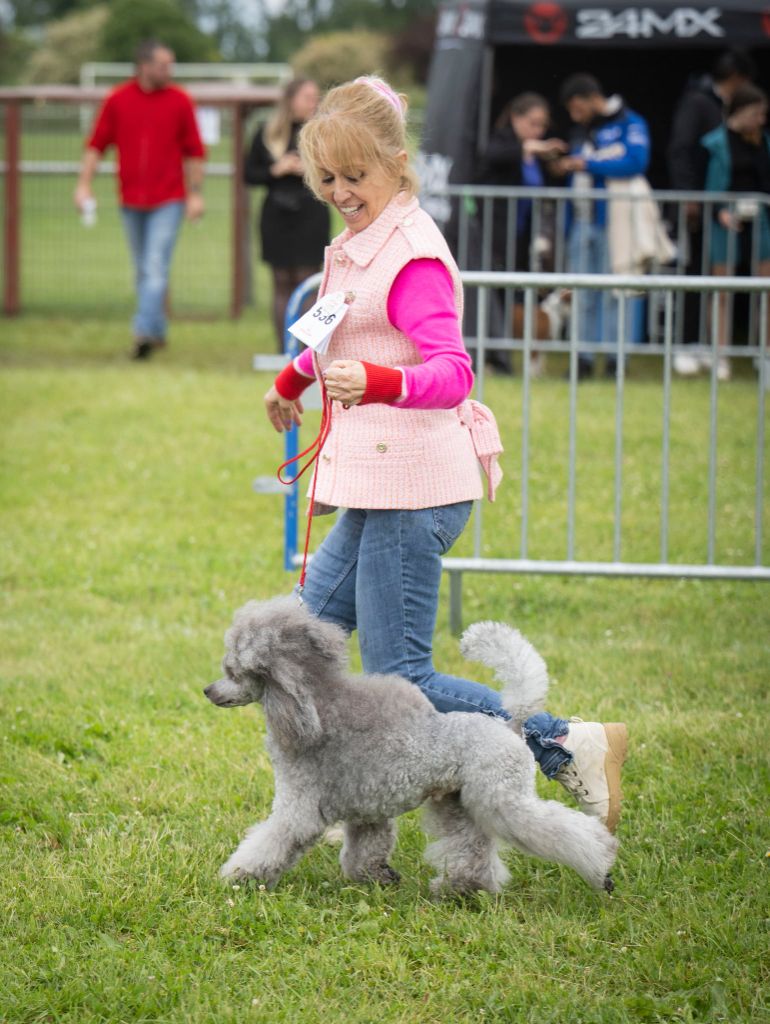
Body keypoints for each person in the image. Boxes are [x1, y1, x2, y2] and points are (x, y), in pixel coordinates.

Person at [262, 76, 628, 833]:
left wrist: (380, 379)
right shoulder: (358, 243)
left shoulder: (415, 256)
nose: (339, 191)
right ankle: (335, 789)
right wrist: (290, 380)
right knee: (297, 642)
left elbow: (452, 372)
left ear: (398, 162)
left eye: (354, 176)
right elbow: (334, 322)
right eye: (325, 178)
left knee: (401, 676)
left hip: (418, 489)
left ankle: (564, 742)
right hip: (375, 483)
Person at [74, 40, 206, 360]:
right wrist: (83, 185)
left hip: (169, 198)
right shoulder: (118, 99)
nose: (168, 71)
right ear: (144, 66)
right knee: (143, 270)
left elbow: (195, 152)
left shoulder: (180, 101)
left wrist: (195, 194)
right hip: (130, 199)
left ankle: (143, 333)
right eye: (163, 65)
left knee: (154, 267)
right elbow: (96, 145)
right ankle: (157, 331)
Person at [555, 74, 651, 380]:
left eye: (577, 109)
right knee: (582, 293)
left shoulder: (630, 123)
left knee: (616, 293)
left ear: (590, 98)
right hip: (583, 222)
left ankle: (614, 360)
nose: (574, 116)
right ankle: (581, 359)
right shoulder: (582, 131)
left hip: (616, 223)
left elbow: (636, 162)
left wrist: (587, 164)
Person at [667, 49, 756, 376]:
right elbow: (680, 149)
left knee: (710, 275)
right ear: (737, 78)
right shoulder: (698, 102)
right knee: (692, 272)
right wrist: (687, 196)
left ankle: (704, 345)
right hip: (696, 205)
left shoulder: (715, 104)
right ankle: (686, 344)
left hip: (716, 208)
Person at [475, 92, 567, 375]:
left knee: (513, 294)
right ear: (516, 117)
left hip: (522, 234)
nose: (538, 131)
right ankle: (489, 356)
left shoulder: (532, 153)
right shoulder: (503, 141)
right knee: (493, 294)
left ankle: (506, 356)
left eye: (542, 126)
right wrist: (530, 148)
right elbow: (491, 157)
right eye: (533, 123)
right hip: (494, 231)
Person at [244, 78, 330, 351]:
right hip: (277, 215)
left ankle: (306, 352)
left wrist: (311, 170)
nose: (312, 103)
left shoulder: (324, 134)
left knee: (309, 280)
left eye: (315, 97)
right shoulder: (267, 133)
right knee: (281, 281)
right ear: (291, 99)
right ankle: (285, 350)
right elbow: (249, 174)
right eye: (307, 97)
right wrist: (276, 169)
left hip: (310, 212)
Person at [701, 83, 770, 383]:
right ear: (740, 112)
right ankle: (721, 357)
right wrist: (720, 211)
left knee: (766, 292)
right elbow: (705, 185)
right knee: (722, 291)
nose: (761, 120)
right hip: (725, 223)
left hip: (763, 221)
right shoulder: (714, 143)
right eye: (756, 113)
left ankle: (765, 355)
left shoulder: (765, 142)